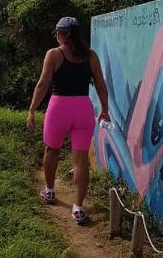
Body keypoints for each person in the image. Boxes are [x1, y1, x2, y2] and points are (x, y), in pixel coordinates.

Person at [26, 16, 109, 224]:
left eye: (57, 33)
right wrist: (105, 109)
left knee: (51, 150)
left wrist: (32, 110)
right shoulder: (90, 56)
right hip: (83, 109)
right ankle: (78, 208)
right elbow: (101, 85)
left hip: (58, 109)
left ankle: (50, 191)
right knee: (80, 160)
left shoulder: (54, 54)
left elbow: (42, 85)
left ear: (62, 34)